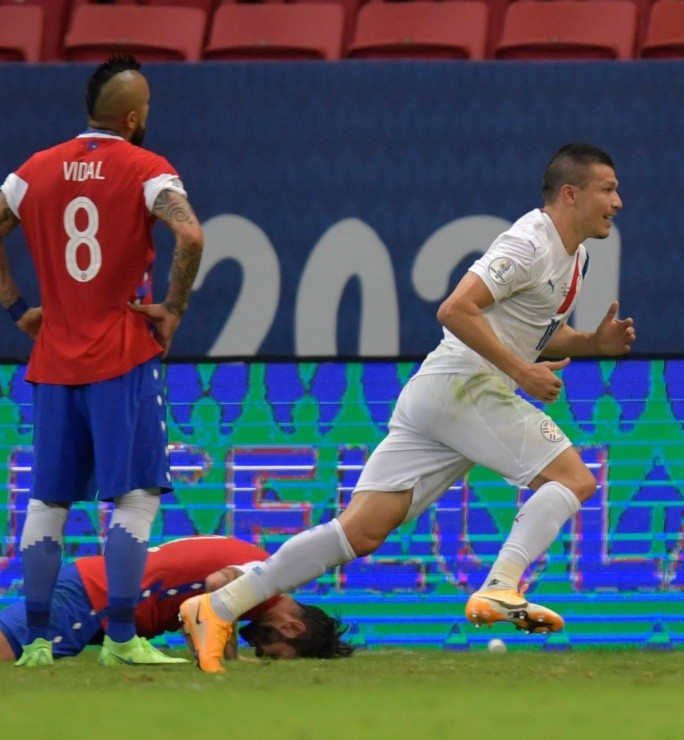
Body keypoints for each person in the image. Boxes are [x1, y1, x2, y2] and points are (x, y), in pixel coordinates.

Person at [179, 143, 637, 672]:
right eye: (608, 189)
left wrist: (591, 346)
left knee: (361, 531)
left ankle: (217, 607)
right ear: (571, 193)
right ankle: (501, 586)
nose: (618, 201)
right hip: (466, 388)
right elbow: (455, 309)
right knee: (574, 480)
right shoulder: (528, 244)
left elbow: (537, 334)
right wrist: (521, 372)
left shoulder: (574, 255)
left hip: (440, 395)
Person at [0, 55, 204, 667]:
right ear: (132, 116)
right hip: (121, 353)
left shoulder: (34, 171)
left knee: (49, 500)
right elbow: (192, 236)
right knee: (136, 496)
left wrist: (20, 308)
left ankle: (38, 642)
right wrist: (172, 306)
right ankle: (121, 639)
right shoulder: (149, 169)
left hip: (54, 356)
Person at [0, 535, 354, 663]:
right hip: (93, 598)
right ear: (295, 630)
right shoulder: (262, 585)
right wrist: (215, 656)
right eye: (272, 656)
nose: (261, 655)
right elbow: (212, 589)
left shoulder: (266, 571)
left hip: (96, 599)